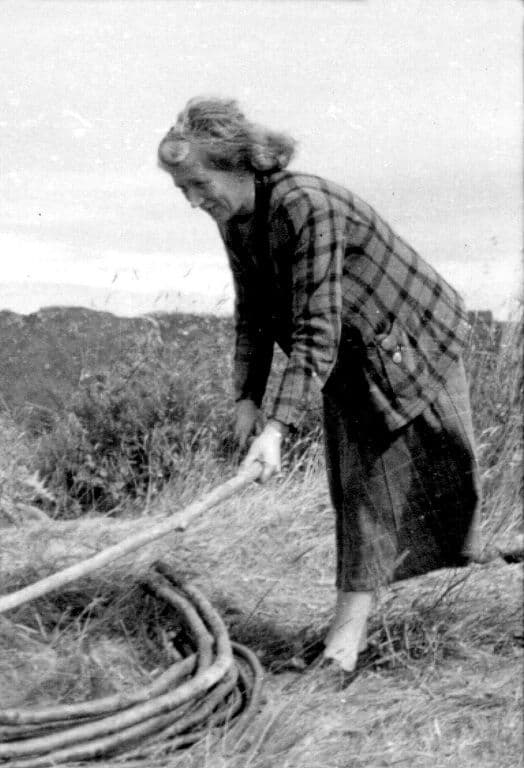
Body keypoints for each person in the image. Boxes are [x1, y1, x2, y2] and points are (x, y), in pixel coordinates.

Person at [156, 96, 482, 673]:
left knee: (442, 479)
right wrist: (246, 398)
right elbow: (253, 314)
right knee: (360, 489)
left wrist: (277, 427)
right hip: (351, 356)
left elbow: (314, 326)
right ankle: (344, 643)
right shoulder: (236, 218)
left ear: (239, 165)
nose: (192, 199)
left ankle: (352, 639)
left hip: (415, 340)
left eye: (198, 183)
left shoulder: (306, 205)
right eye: (183, 189)